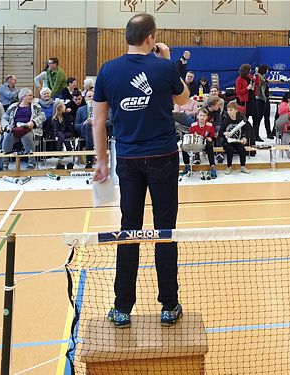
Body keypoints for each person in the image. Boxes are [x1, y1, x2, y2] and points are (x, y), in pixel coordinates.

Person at [92, 13, 189, 328]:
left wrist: (102, 161)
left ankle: (122, 308)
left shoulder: (108, 70)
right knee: (165, 231)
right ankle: (169, 306)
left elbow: (98, 121)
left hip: (128, 160)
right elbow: (184, 100)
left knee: (128, 230)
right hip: (164, 157)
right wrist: (168, 60)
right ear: (151, 38)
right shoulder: (164, 67)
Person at [1, 88, 44, 167]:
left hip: (29, 129)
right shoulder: (13, 106)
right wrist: (6, 126)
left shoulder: (35, 106)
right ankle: (4, 162)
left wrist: (33, 122)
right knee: (7, 136)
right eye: (29, 95)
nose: (32, 97)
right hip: (15, 129)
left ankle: (31, 162)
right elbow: (4, 118)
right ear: (23, 97)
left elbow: (42, 116)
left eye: (32, 95)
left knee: (27, 137)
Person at [221, 102, 252, 175]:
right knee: (230, 149)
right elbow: (220, 132)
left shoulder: (240, 120)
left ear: (236, 110)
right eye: (228, 110)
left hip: (237, 141)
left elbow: (249, 130)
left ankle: (243, 166)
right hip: (227, 142)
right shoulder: (225, 120)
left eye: (231, 110)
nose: (229, 112)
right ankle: (229, 166)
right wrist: (224, 133)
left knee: (242, 149)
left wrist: (245, 137)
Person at [235, 63, 256, 133]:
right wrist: (247, 88)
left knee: (255, 116)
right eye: (249, 69)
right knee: (244, 118)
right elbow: (238, 92)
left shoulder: (250, 76)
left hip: (252, 98)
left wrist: (256, 75)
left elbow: (257, 82)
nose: (251, 70)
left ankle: (253, 133)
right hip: (244, 101)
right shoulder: (239, 79)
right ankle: (244, 132)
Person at [253, 64, 273, 140]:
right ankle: (255, 134)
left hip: (265, 98)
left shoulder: (263, 77)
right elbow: (258, 85)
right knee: (259, 117)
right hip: (260, 99)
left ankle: (269, 133)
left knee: (267, 116)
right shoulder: (258, 77)